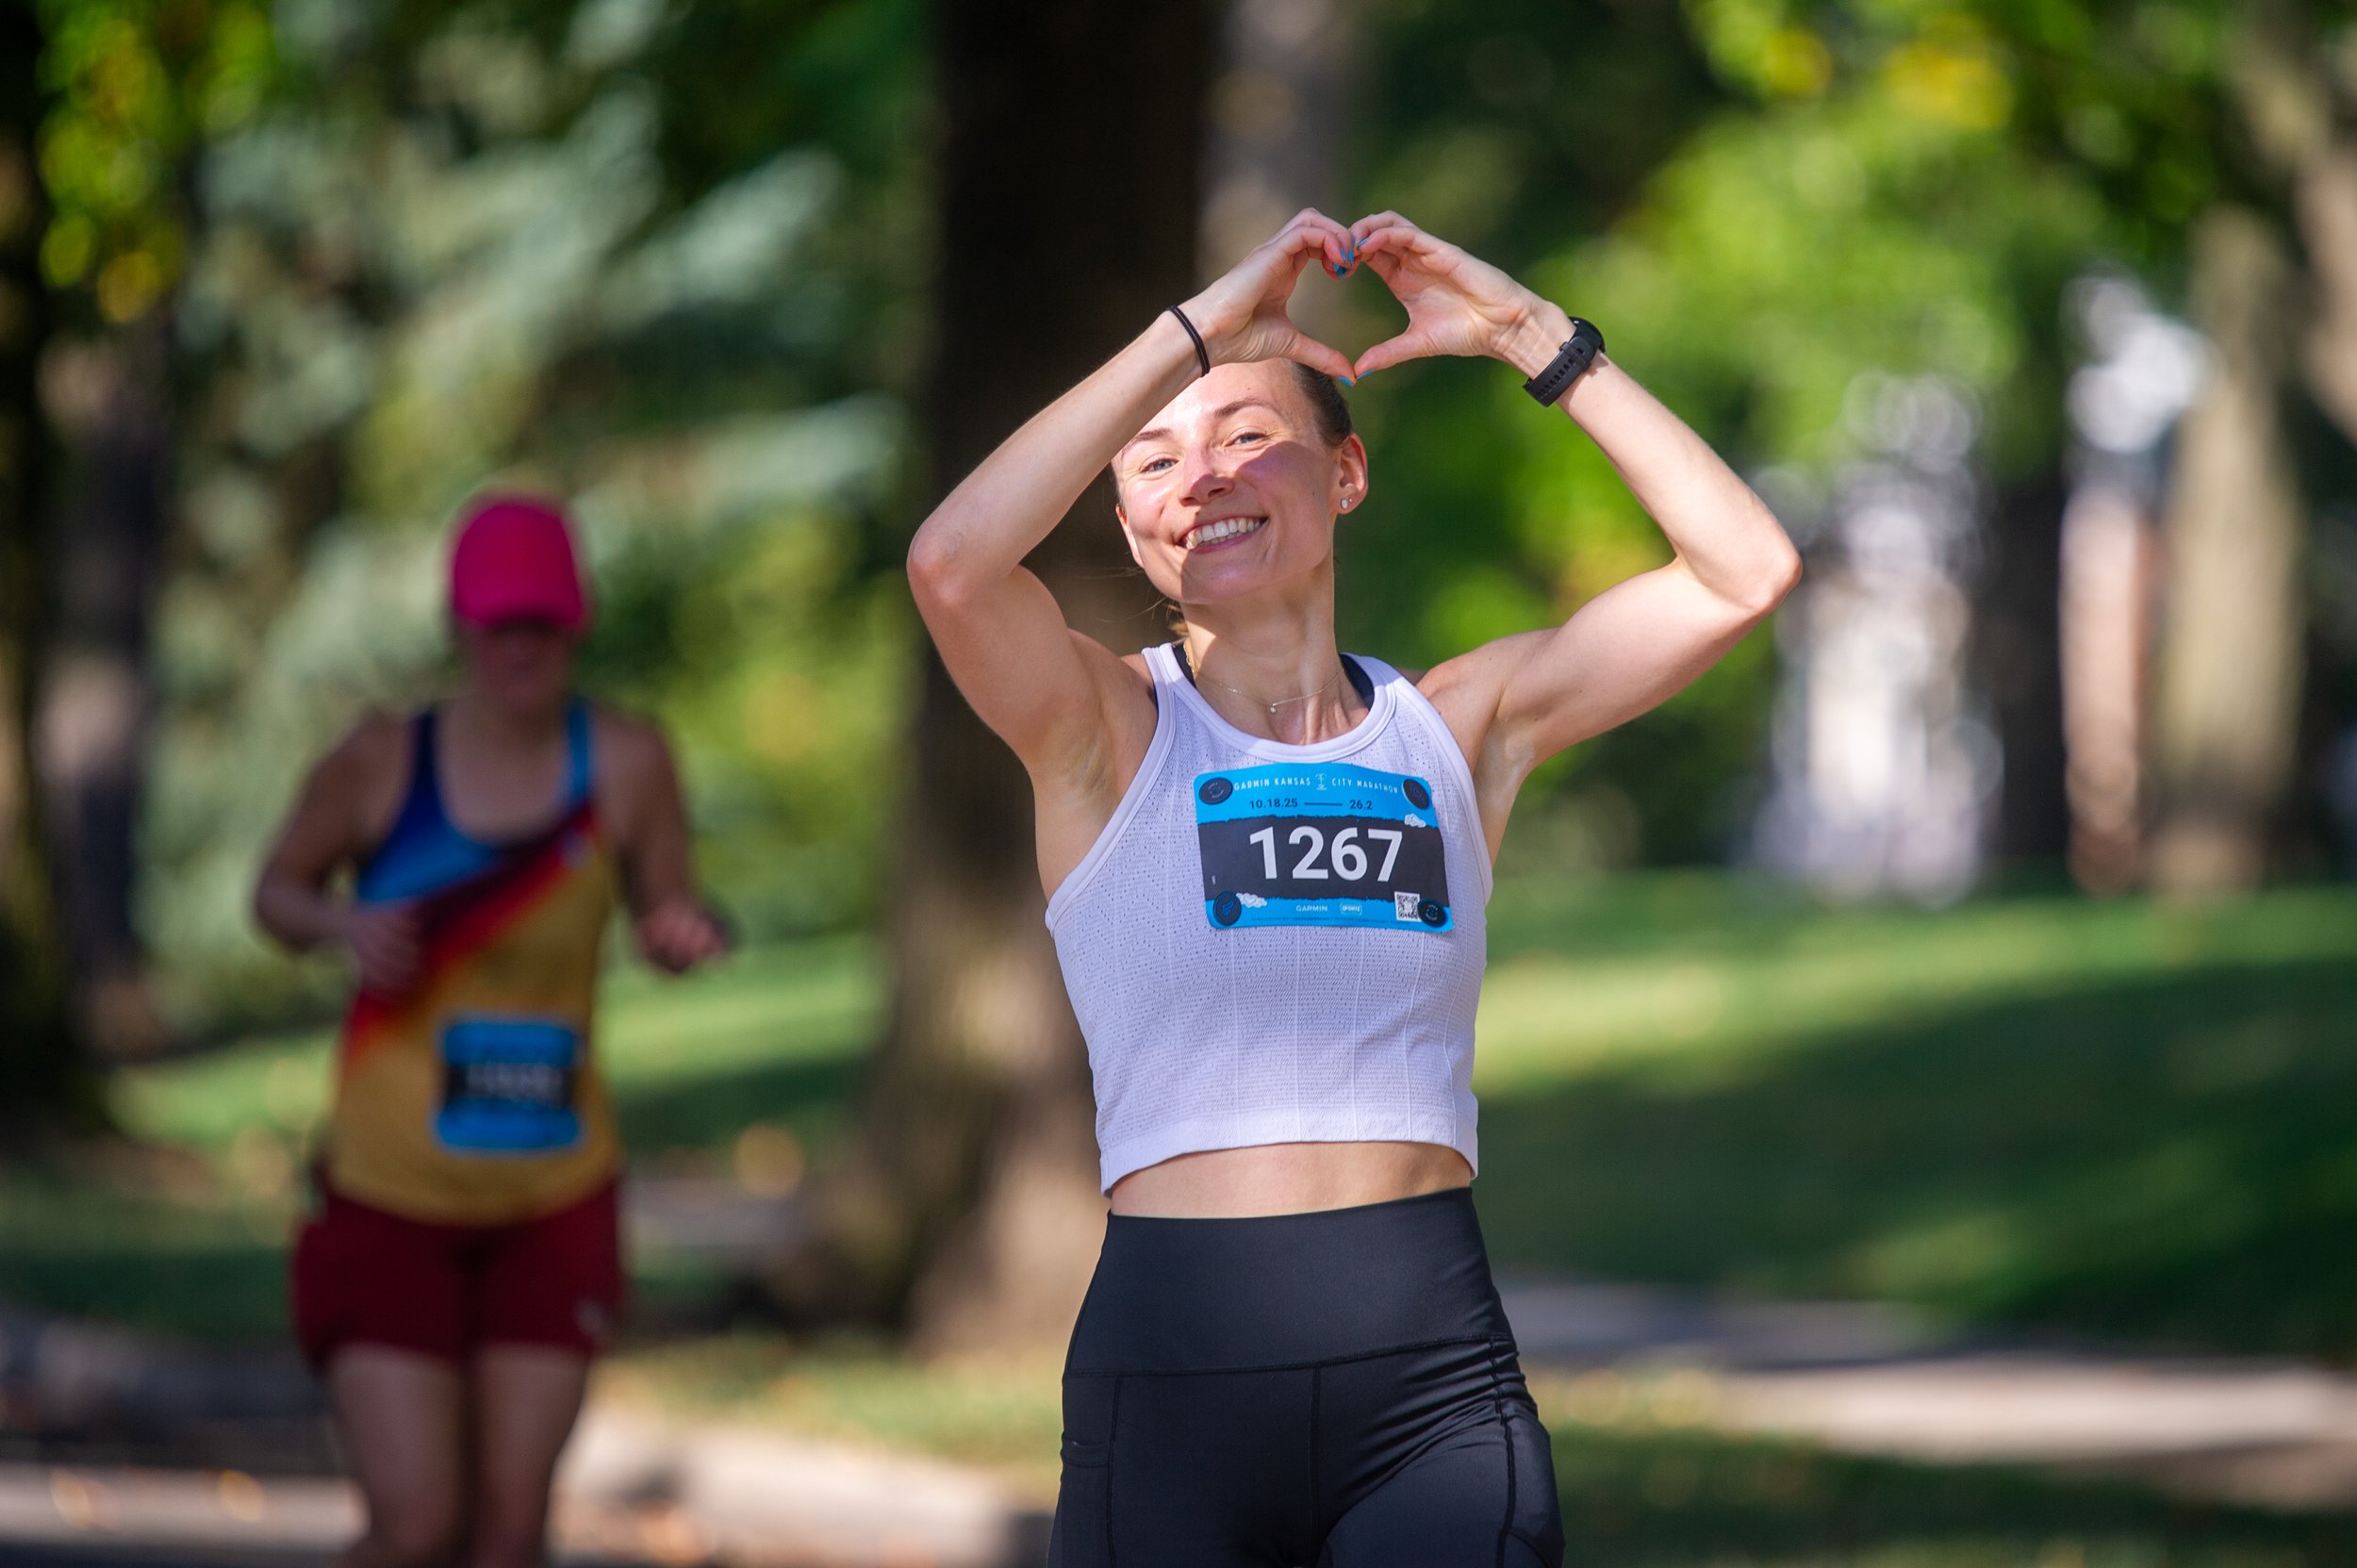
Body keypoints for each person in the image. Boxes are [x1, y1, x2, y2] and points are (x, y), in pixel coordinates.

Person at [906, 208, 1800, 1566]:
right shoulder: (1101, 733)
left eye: (1248, 435)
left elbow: (1747, 570)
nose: (1199, 476)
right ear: (1132, 523)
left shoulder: (1462, 725)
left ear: (1349, 473)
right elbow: (953, 564)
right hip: (1173, 1396)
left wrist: (1529, 336)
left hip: (1432, 1392)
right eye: (1154, 458)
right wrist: (1200, 335)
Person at [254, 495, 729, 1568]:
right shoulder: (380, 761)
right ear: (460, 628)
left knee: (510, 1532)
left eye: (544, 626)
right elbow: (274, 892)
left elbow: (667, 910)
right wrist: (344, 921)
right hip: (388, 1188)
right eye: (499, 625)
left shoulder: (624, 760)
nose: (522, 649)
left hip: (554, 1191)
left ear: (577, 625)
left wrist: (677, 934)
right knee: (417, 1525)